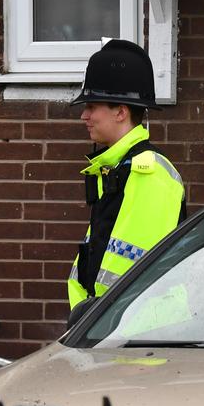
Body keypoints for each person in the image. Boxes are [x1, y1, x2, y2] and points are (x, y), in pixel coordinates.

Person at [67, 39, 186, 310]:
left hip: (137, 334)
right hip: (109, 328)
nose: (84, 116)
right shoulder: (116, 168)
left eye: (92, 106)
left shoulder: (148, 172)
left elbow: (138, 274)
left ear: (121, 112)